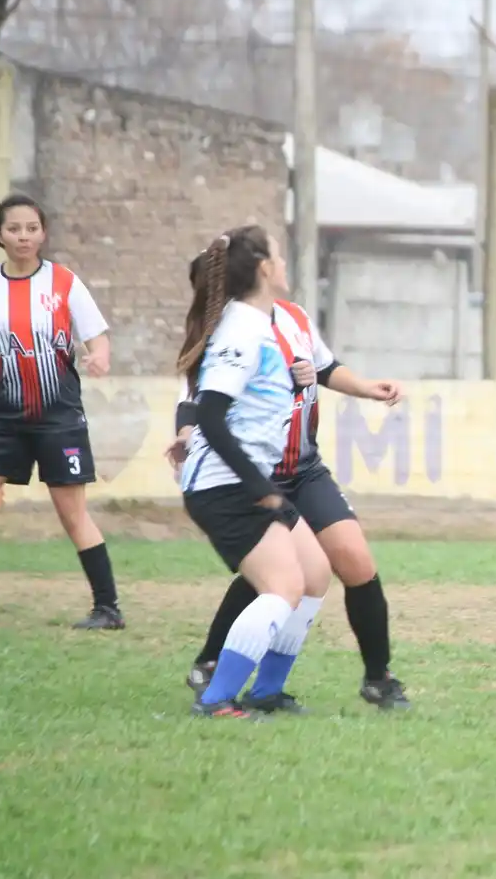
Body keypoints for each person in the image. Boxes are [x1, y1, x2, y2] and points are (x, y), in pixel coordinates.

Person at [171, 252, 411, 711]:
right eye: (275, 255)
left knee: (348, 561)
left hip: (302, 466)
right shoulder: (227, 334)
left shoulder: (293, 318)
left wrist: (366, 388)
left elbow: (322, 367)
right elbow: (197, 402)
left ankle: (376, 677)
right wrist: (184, 435)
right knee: (278, 576)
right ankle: (213, 667)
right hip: (254, 474)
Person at [177, 226, 334, 718]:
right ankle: (218, 697)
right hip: (223, 486)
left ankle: (266, 691)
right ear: (264, 268)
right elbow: (210, 413)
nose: (284, 264)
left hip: (242, 481)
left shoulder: (259, 325)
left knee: (314, 574)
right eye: (280, 256)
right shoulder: (243, 328)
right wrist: (258, 486)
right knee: (283, 586)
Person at [0, 194, 124, 630]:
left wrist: (99, 357)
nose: (23, 236)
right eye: (14, 228)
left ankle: (107, 608)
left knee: (72, 514)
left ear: (43, 233)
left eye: (32, 228)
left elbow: (97, 336)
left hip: (59, 418)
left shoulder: (65, 282)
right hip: (2, 419)